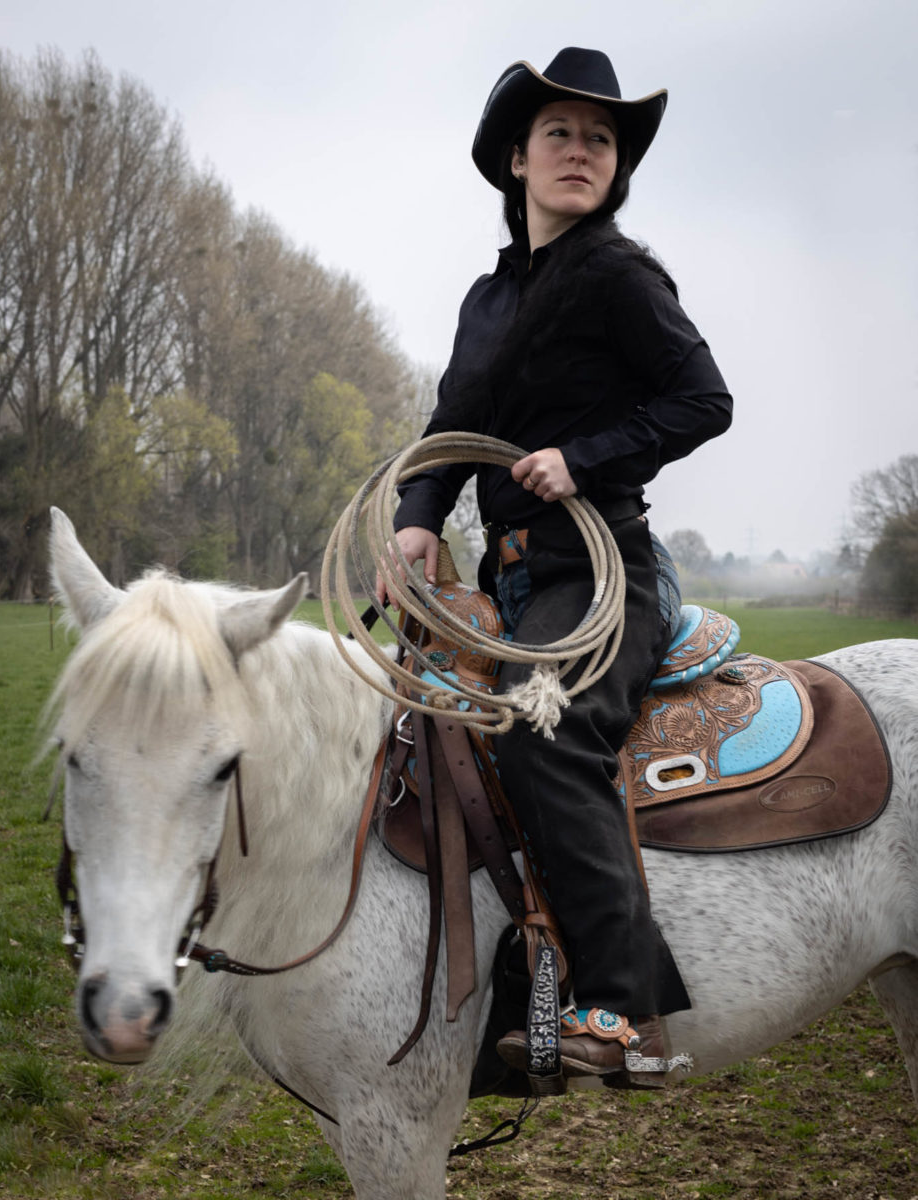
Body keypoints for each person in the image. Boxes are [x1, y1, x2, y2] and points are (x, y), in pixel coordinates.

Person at [377, 47, 732, 1087]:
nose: (582, 151)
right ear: (518, 160)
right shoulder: (488, 302)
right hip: (512, 583)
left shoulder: (619, 273)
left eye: (601, 139)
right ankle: (492, 980)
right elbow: (451, 428)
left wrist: (583, 457)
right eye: (561, 134)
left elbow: (703, 400)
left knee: (545, 734)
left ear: (615, 168)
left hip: (602, 569)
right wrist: (416, 518)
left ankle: (620, 1012)